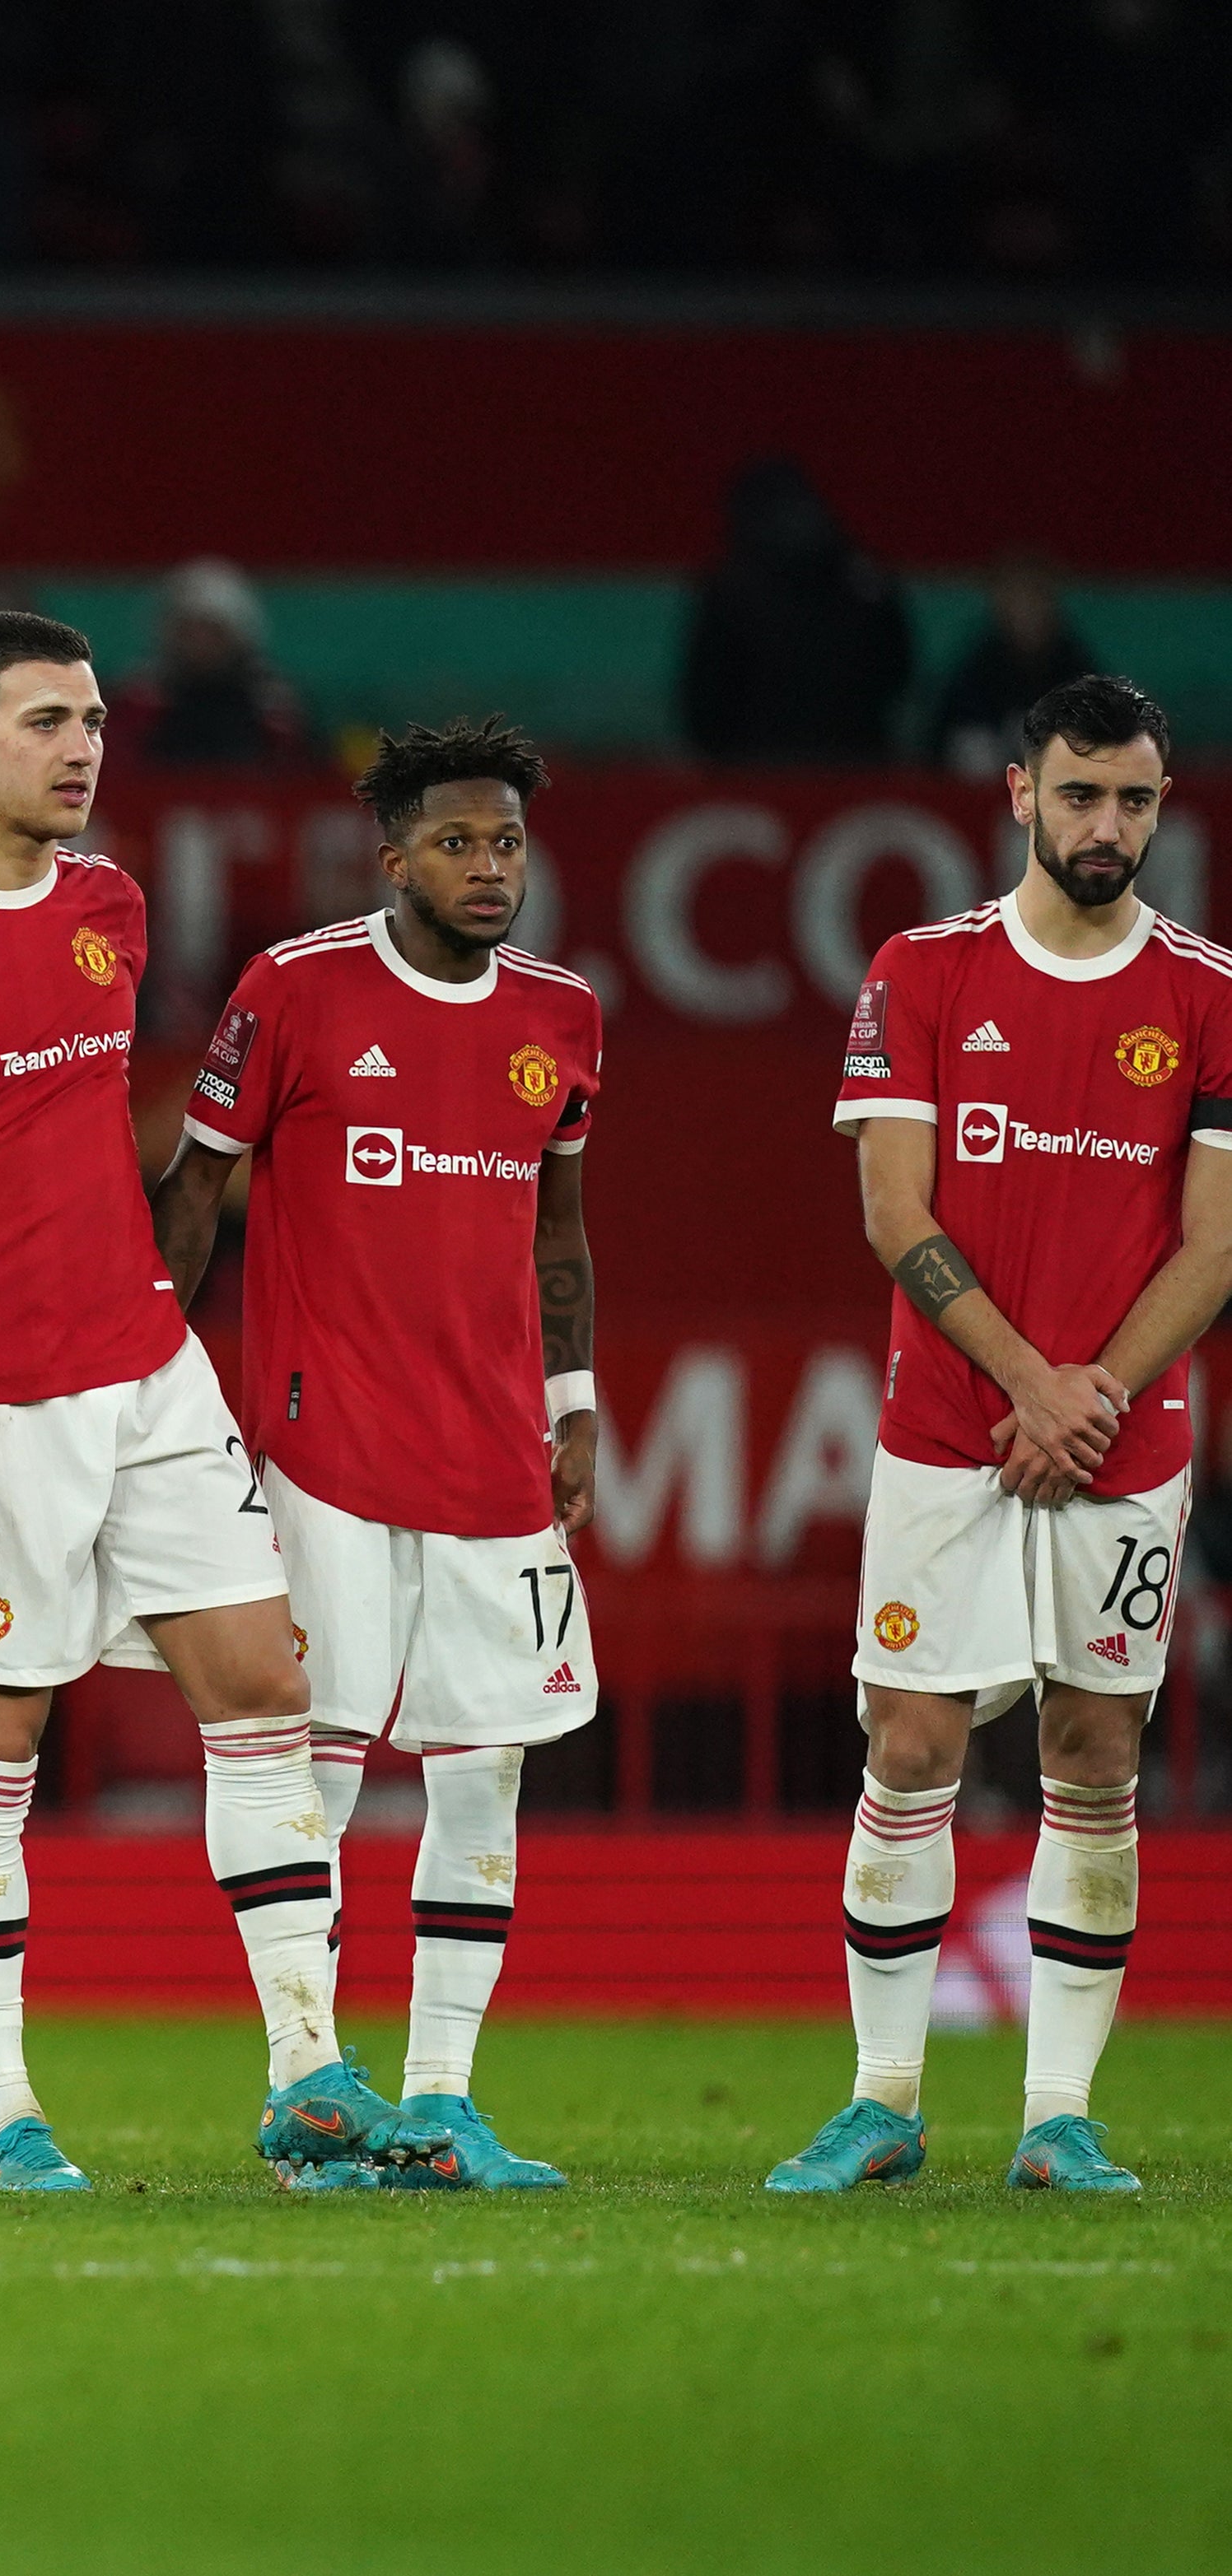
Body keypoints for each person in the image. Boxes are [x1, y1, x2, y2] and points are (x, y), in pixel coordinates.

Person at [0, 609, 430, 2193]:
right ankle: (4, 2112)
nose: (78, 747)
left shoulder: (110, 906)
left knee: (263, 1685)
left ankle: (307, 2075)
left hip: (146, 1368)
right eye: (44, 722)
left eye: (87, 719)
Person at [150, 718, 607, 2191]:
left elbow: (557, 1226)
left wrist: (575, 1399)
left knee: (484, 1773)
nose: (490, 868)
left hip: (491, 1454)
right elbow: (194, 1191)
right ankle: (310, 2078)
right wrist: (150, 1384)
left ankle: (443, 2095)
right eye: (459, 842)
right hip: (323, 1441)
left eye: (507, 843)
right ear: (391, 853)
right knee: (319, 1760)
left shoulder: (560, 1015)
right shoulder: (292, 990)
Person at [782, 676, 1221, 2197]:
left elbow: (1215, 1246)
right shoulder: (918, 969)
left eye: (1136, 799)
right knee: (906, 1746)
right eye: (1080, 792)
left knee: (1091, 1755)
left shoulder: (1207, 992)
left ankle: (1056, 2113)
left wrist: (1082, 1392)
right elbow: (889, 1207)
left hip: (1126, 1440)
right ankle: (881, 2097)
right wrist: (1028, 1379)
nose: (1108, 825)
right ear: (1017, 793)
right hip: (944, 1431)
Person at [679, 454, 917, 765]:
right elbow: (899, 674)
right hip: (855, 765)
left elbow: (705, 698)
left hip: (756, 771)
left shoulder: (731, 588)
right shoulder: (868, 579)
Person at [926, 555, 1104, 776]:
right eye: (1017, 597)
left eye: (1035, 596)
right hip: (993, 761)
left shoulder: (1071, 659)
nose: (1026, 609)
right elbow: (953, 720)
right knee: (976, 750)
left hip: (1054, 770)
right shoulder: (981, 658)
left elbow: (1095, 716)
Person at [123, 558, 312, 766]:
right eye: (188, 632)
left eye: (212, 632)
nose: (200, 644)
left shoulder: (272, 707)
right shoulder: (141, 702)